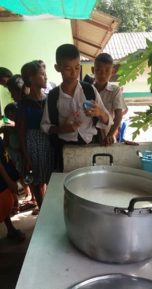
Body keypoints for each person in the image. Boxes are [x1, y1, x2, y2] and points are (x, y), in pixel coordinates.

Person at [40, 43, 113, 172]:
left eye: (77, 67)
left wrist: (100, 112)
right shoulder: (53, 96)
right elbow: (45, 127)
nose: (74, 73)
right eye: (68, 68)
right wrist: (62, 129)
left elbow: (108, 120)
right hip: (65, 150)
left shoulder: (89, 90)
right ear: (58, 68)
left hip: (90, 147)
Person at [18, 60, 54, 214]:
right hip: (33, 143)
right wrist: (25, 155)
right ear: (31, 78)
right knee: (37, 180)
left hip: (50, 141)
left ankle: (50, 208)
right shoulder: (23, 104)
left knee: (51, 177)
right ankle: (43, 210)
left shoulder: (49, 99)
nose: (46, 77)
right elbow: (21, 131)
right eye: (42, 74)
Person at [92, 53, 128, 145]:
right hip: (90, 136)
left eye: (107, 71)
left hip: (107, 135)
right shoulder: (88, 90)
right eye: (99, 70)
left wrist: (110, 135)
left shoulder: (115, 91)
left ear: (113, 72)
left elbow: (118, 116)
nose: (103, 74)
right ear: (93, 70)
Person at [0, 137, 26, 242]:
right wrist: (9, 181)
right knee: (4, 203)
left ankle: (10, 230)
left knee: (7, 202)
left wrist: (13, 169)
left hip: (5, 172)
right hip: (2, 178)